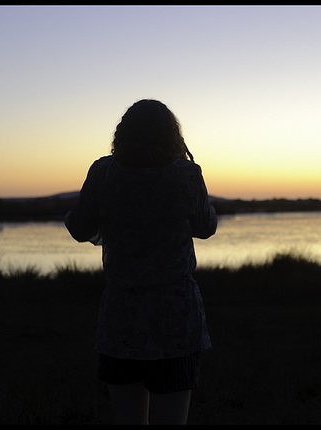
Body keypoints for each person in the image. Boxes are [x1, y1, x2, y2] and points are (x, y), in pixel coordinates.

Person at [64, 99, 217, 425]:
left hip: (122, 317)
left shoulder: (103, 172)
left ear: (122, 134)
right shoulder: (186, 176)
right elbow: (206, 227)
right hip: (174, 317)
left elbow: (79, 228)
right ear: (172, 136)